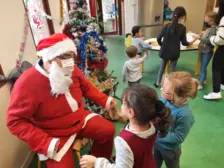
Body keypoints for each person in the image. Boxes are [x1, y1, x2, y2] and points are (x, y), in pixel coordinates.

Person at [7, 33, 117, 168]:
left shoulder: (70, 68)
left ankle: (98, 162)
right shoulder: (26, 84)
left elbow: (86, 87)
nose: (71, 62)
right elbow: (15, 122)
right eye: (65, 57)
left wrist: (105, 101)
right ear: (48, 58)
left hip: (80, 119)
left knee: (108, 131)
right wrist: (45, 142)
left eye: (72, 56)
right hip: (54, 133)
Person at [79, 84, 172, 168]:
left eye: (123, 103)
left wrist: (96, 162)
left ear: (131, 112)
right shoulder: (153, 122)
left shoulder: (124, 142)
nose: (121, 105)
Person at [154, 72, 198, 168]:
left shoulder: (185, 114)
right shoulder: (165, 100)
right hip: (156, 144)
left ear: (176, 95)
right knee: (154, 164)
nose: (161, 90)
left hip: (170, 150)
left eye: (165, 90)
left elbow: (178, 137)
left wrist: (158, 134)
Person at [154, 6, 195, 88]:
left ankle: (158, 83)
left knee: (162, 68)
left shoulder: (166, 26)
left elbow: (158, 38)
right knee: (172, 70)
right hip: (174, 53)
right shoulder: (182, 28)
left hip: (164, 51)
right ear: (182, 17)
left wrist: (162, 45)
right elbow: (184, 43)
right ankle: (169, 86)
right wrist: (189, 43)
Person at [204, 0, 224, 100]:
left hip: (222, 48)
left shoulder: (223, 19)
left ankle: (216, 91)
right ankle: (222, 84)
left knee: (216, 68)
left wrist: (212, 39)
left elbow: (220, 39)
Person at [193, 11, 217, 90]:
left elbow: (209, 40)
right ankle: (203, 79)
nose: (205, 21)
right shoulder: (208, 29)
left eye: (207, 20)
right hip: (203, 50)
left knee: (203, 67)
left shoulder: (213, 30)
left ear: (212, 21)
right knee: (203, 67)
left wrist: (199, 38)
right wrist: (198, 35)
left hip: (207, 52)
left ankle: (200, 84)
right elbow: (205, 37)